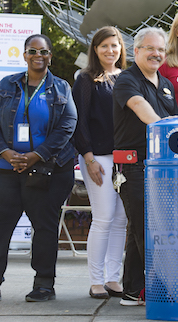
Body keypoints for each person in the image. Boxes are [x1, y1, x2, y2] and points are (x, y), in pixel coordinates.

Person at [0, 34, 77, 303]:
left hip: (47, 169)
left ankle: (43, 285)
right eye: (32, 51)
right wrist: (5, 153)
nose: (37, 55)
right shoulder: (8, 84)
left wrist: (36, 155)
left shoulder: (61, 87)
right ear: (25, 55)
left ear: (50, 56)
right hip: (2, 168)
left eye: (43, 51)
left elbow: (68, 124)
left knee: (44, 226)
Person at [113, 27, 178, 306]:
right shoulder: (127, 80)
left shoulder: (165, 83)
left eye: (161, 49)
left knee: (141, 229)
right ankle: (161, 290)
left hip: (160, 168)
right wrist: (165, 130)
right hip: (134, 167)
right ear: (136, 51)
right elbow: (141, 109)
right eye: (150, 48)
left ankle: (132, 291)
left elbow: (172, 117)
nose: (157, 54)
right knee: (147, 229)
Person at [72, 26, 128, 299]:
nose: (110, 50)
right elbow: (79, 123)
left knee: (120, 220)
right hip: (98, 158)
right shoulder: (86, 80)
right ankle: (96, 280)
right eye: (104, 45)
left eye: (114, 45)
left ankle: (113, 278)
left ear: (121, 49)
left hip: (125, 159)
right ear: (95, 49)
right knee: (104, 217)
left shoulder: (127, 78)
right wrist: (89, 158)